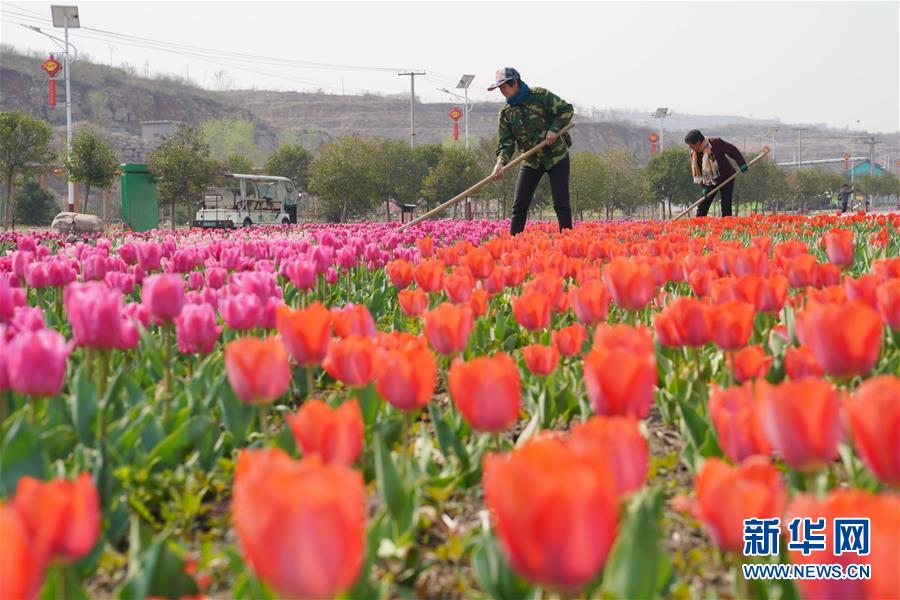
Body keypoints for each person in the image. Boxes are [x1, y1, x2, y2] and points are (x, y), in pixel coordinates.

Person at [488, 67, 574, 235]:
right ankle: (514, 244)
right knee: (519, 205)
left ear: (515, 83)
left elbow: (567, 110)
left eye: (504, 87)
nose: (502, 92)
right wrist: (500, 163)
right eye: (499, 88)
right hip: (531, 159)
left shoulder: (540, 96)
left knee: (561, 202)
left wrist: (554, 129)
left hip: (556, 156)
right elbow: (506, 143)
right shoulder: (506, 113)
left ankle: (568, 241)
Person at [684, 129, 748, 217]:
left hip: (726, 177)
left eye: (691, 145)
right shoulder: (695, 155)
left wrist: (742, 163)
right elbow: (699, 173)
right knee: (702, 206)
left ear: (698, 142)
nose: (690, 147)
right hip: (710, 181)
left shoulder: (715, 143)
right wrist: (704, 187)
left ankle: (727, 226)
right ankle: (698, 226)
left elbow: (732, 150)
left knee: (726, 206)